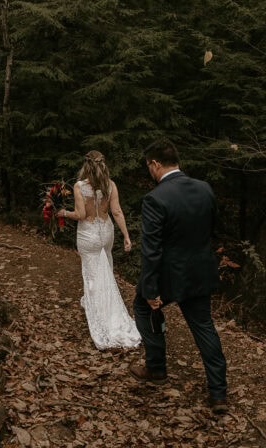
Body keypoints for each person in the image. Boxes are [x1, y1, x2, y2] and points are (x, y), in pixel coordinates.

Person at [129, 139, 228, 415]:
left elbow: (151, 250)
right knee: (203, 327)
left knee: (142, 307)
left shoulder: (155, 198)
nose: (149, 171)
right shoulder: (205, 188)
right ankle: (218, 394)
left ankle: (156, 367)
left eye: (149, 166)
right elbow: (212, 228)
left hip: (169, 276)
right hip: (199, 271)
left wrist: (149, 289)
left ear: (156, 164)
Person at [57, 150, 141, 350]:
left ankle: (101, 315)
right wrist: (127, 236)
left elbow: (81, 214)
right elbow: (117, 211)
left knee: (93, 275)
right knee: (106, 270)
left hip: (88, 235)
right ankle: (103, 306)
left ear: (86, 166)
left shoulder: (79, 186)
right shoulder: (110, 185)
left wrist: (63, 213)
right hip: (106, 232)